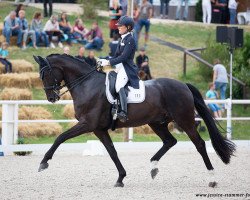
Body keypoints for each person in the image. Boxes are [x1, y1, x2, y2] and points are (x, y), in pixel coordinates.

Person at [99, 16, 139, 122]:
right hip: (119, 65)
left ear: (128, 27)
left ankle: (123, 112)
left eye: (121, 26)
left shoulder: (130, 40)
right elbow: (116, 55)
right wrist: (104, 60)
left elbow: (123, 57)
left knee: (118, 85)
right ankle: (113, 105)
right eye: (119, 26)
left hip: (127, 67)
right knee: (104, 74)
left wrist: (109, 62)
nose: (118, 27)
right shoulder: (122, 38)